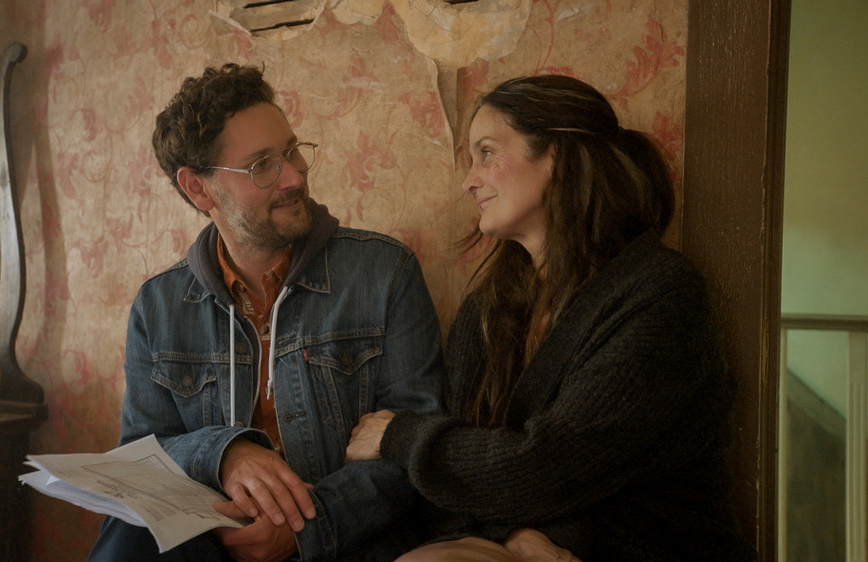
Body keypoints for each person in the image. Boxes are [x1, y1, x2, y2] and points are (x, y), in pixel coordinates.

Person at [346, 74, 757, 561]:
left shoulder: (660, 294)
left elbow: (555, 465)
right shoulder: (486, 311)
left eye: (487, 152)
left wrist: (400, 435)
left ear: (555, 157)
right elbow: (447, 497)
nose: (469, 180)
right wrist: (514, 539)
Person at [88, 63, 444, 561]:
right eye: (262, 165)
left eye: (292, 151)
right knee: (129, 532)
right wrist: (225, 453)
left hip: (346, 542)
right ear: (199, 188)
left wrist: (303, 527)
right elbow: (140, 457)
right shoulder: (159, 305)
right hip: (215, 540)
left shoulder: (384, 272)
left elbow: (418, 447)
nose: (295, 176)